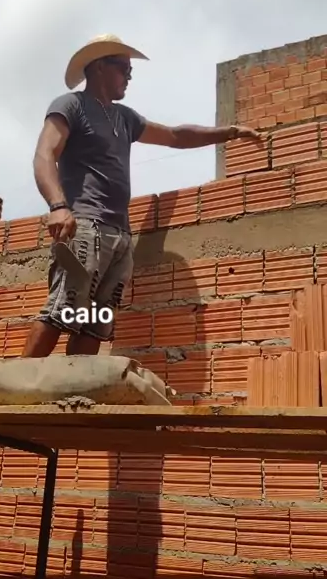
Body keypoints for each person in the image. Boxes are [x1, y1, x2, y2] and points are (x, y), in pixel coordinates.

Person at [21, 34, 261, 359]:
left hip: (120, 237)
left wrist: (229, 132)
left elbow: (175, 136)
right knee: (63, 310)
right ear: (99, 67)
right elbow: (44, 154)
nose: (129, 77)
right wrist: (58, 205)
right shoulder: (71, 106)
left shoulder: (125, 118)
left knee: (95, 322)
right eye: (124, 69)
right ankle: (18, 384)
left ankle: (74, 385)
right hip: (85, 228)